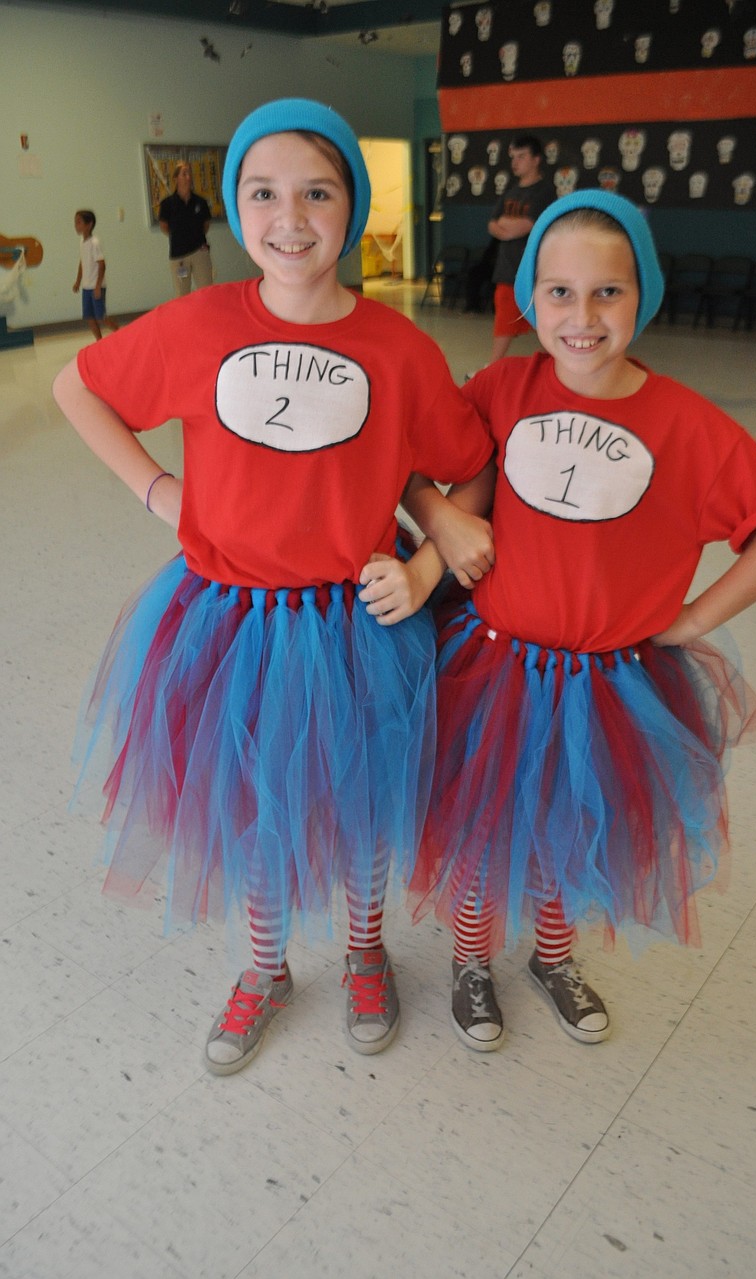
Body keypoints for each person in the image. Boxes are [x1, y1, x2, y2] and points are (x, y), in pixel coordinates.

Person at [53, 99, 492, 1074]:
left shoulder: (398, 348)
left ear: (351, 207)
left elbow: (469, 467)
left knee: (363, 796)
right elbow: (76, 387)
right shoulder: (200, 322)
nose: (289, 216)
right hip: (232, 619)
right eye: (263, 192)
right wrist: (156, 487)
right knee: (254, 801)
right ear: (233, 205)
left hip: (354, 622)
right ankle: (264, 967)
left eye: (316, 192)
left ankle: (365, 947)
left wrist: (425, 561)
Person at [402, 190, 756, 1052]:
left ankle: (553, 957)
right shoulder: (499, 387)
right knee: (481, 824)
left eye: (608, 293)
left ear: (645, 294)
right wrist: (441, 518)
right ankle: (473, 957)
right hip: (494, 666)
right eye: (558, 291)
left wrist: (695, 616)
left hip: (609, 683)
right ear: (530, 296)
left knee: (574, 825)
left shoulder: (684, 423)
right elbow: (403, 448)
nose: (582, 317)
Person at [486, 135, 552, 362]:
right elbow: (493, 224)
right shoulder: (510, 192)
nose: (515, 162)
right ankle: (492, 368)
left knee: (547, 322)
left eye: (521, 156)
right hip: (506, 271)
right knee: (503, 323)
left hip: (535, 272)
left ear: (536, 159)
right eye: (513, 157)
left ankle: (562, 365)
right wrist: (506, 227)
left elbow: (527, 226)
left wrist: (507, 225)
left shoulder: (545, 192)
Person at [157, 161, 214, 296]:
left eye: (189, 174)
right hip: (179, 255)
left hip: (200, 251)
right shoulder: (167, 204)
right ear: (176, 178)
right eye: (184, 174)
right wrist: (180, 236)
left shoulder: (200, 202)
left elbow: (205, 225)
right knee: (182, 295)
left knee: (207, 291)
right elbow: (164, 227)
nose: (188, 177)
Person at [72, 210, 119, 341]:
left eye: (79, 222)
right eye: (75, 222)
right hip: (86, 287)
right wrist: (77, 281)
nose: (76, 225)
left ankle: (120, 332)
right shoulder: (82, 242)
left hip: (96, 286)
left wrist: (98, 286)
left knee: (101, 316)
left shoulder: (94, 243)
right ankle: (100, 341)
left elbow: (102, 264)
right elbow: (82, 262)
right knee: (89, 316)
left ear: (89, 224)